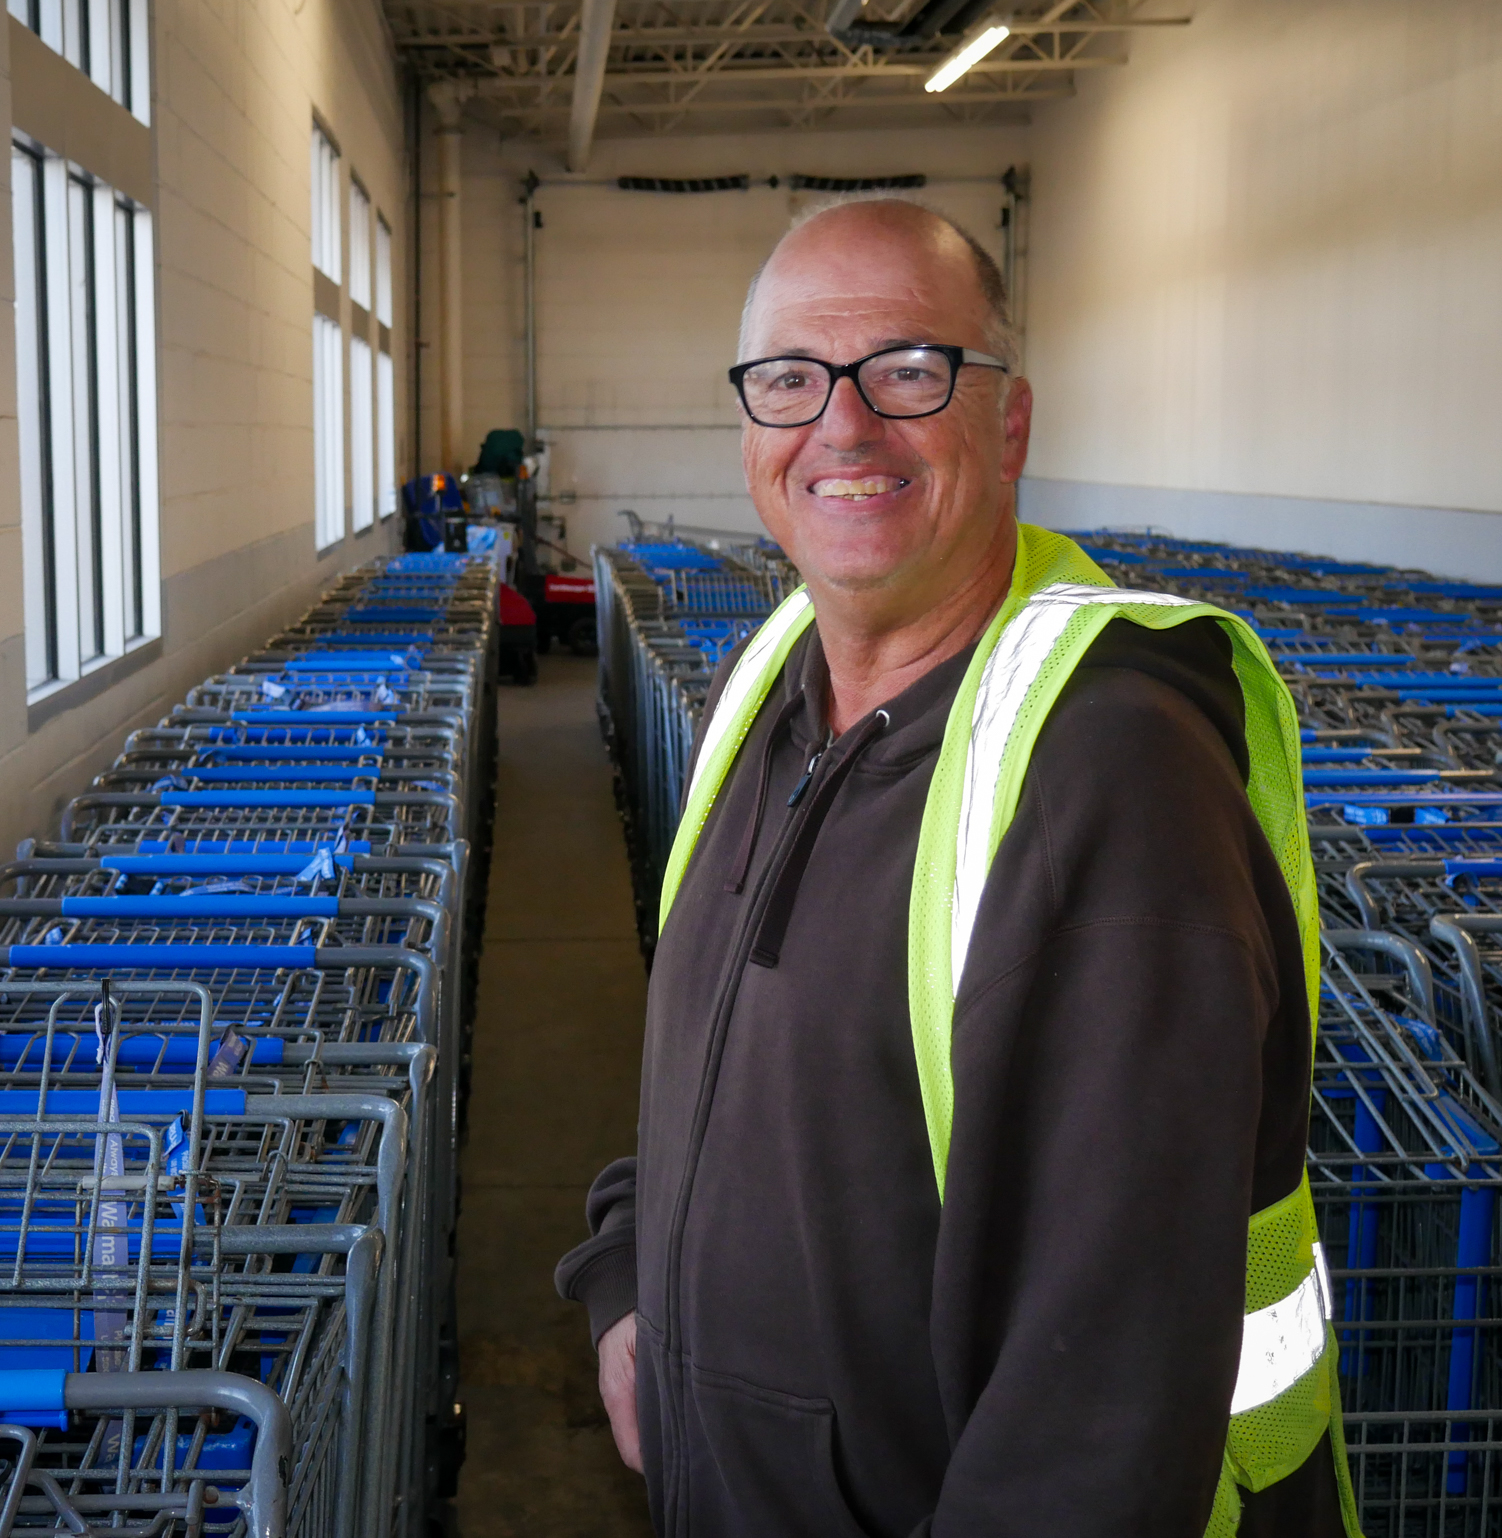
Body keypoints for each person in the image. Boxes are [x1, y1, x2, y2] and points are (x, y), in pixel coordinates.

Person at [553, 199, 1358, 1537]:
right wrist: (630, 1278)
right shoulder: (769, 692)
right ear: (750, 426)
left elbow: (1097, 1419)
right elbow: (705, 1066)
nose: (844, 427)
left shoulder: (1108, 769)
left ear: (1011, 421)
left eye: (909, 370)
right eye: (791, 379)